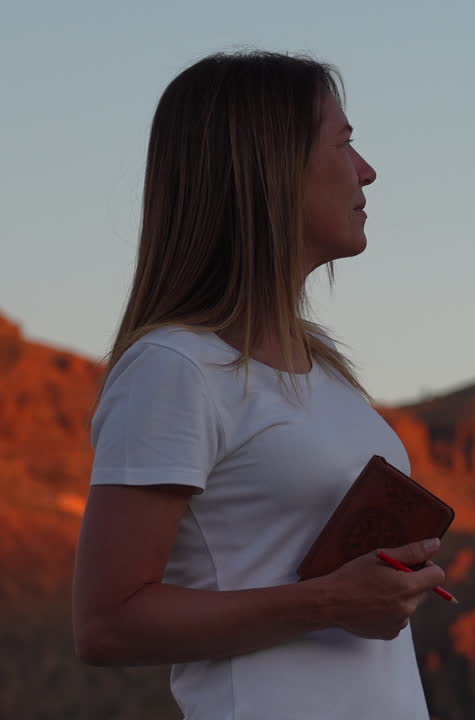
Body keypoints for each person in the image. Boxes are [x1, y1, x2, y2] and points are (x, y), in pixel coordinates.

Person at [71, 50, 446, 719]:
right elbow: (106, 624)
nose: (367, 171)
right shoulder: (176, 367)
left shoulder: (324, 369)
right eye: (346, 144)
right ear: (272, 170)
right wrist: (333, 602)